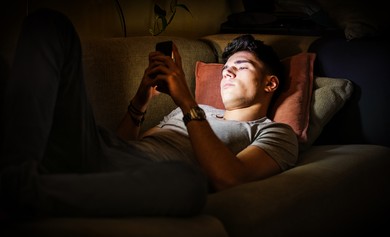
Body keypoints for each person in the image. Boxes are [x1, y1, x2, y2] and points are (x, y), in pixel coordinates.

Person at [0, 9, 298, 219]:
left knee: (190, 184)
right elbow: (120, 148)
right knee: (50, 24)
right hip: (98, 149)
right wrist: (141, 99)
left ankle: (21, 190)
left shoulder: (275, 132)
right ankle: (18, 174)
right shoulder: (199, 111)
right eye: (226, 67)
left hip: (150, 177)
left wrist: (185, 100)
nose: (228, 71)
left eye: (242, 66)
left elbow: (230, 180)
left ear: (270, 83)